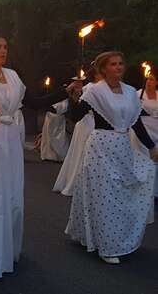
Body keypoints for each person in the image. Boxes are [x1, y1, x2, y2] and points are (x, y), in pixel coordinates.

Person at [0, 32, 80, 278]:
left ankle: (6, 250)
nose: (3, 51)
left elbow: (35, 102)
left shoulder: (13, 77)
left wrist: (65, 91)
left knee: (10, 200)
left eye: (5, 47)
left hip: (9, 142)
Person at [65, 51, 158, 264]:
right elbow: (75, 116)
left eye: (120, 63)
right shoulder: (95, 92)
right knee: (103, 195)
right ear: (103, 68)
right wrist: (73, 97)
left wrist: (151, 147)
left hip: (123, 146)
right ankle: (107, 246)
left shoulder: (130, 92)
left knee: (120, 194)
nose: (118, 67)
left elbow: (136, 122)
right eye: (113, 64)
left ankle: (116, 237)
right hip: (100, 147)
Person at [53, 68, 102, 195]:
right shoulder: (90, 89)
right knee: (81, 153)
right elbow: (79, 109)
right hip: (87, 123)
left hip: (94, 123)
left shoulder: (101, 88)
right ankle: (78, 182)